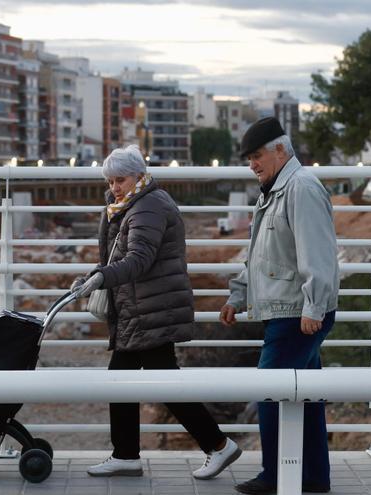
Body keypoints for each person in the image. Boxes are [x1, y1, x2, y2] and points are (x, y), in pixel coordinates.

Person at [72, 144, 242, 480]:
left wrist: (102, 277)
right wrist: (94, 276)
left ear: (139, 175)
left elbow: (138, 259)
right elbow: (116, 257)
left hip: (152, 309)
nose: (114, 187)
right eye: (110, 181)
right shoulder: (129, 204)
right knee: (128, 379)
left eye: (120, 180)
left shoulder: (148, 206)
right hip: (141, 309)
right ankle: (128, 455)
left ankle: (217, 445)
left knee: (156, 382)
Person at [219, 117, 340, 495]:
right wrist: (238, 295)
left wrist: (314, 308)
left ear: (281, 150)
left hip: (297, 313)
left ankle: (274, 475)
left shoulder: (300, 188)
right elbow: (261, 256)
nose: (252, 164)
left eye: (257, 156)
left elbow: (318, 254)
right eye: (248, 158)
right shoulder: (274, 190)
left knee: (270, 391)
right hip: (289, 309)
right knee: (307, 396)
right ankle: (314, 476)